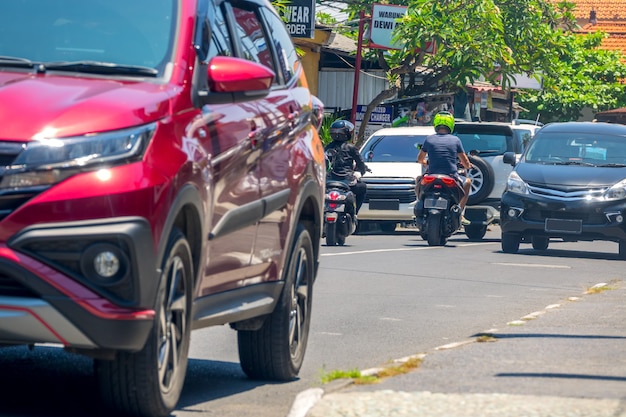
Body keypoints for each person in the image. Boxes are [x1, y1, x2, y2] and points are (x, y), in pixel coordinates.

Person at [416, 111, 472, 224]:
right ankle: (460, 212)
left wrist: (426, 162)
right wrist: (468, 166)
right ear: (451, 125)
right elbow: (465, 161)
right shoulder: (456, 140)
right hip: (451, 176)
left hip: (431, 175)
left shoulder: (429, 139)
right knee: (468, 182)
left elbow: (419, 159)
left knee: (418, 180)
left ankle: (420, 203)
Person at [325, 120, 369, 215]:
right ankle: (355, 213)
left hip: (329, 182)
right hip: (348, 182)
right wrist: (363, 170)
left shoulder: (327, 148)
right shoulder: (351, 147)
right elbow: (360, 164)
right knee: (363, 187)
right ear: (346, 133)